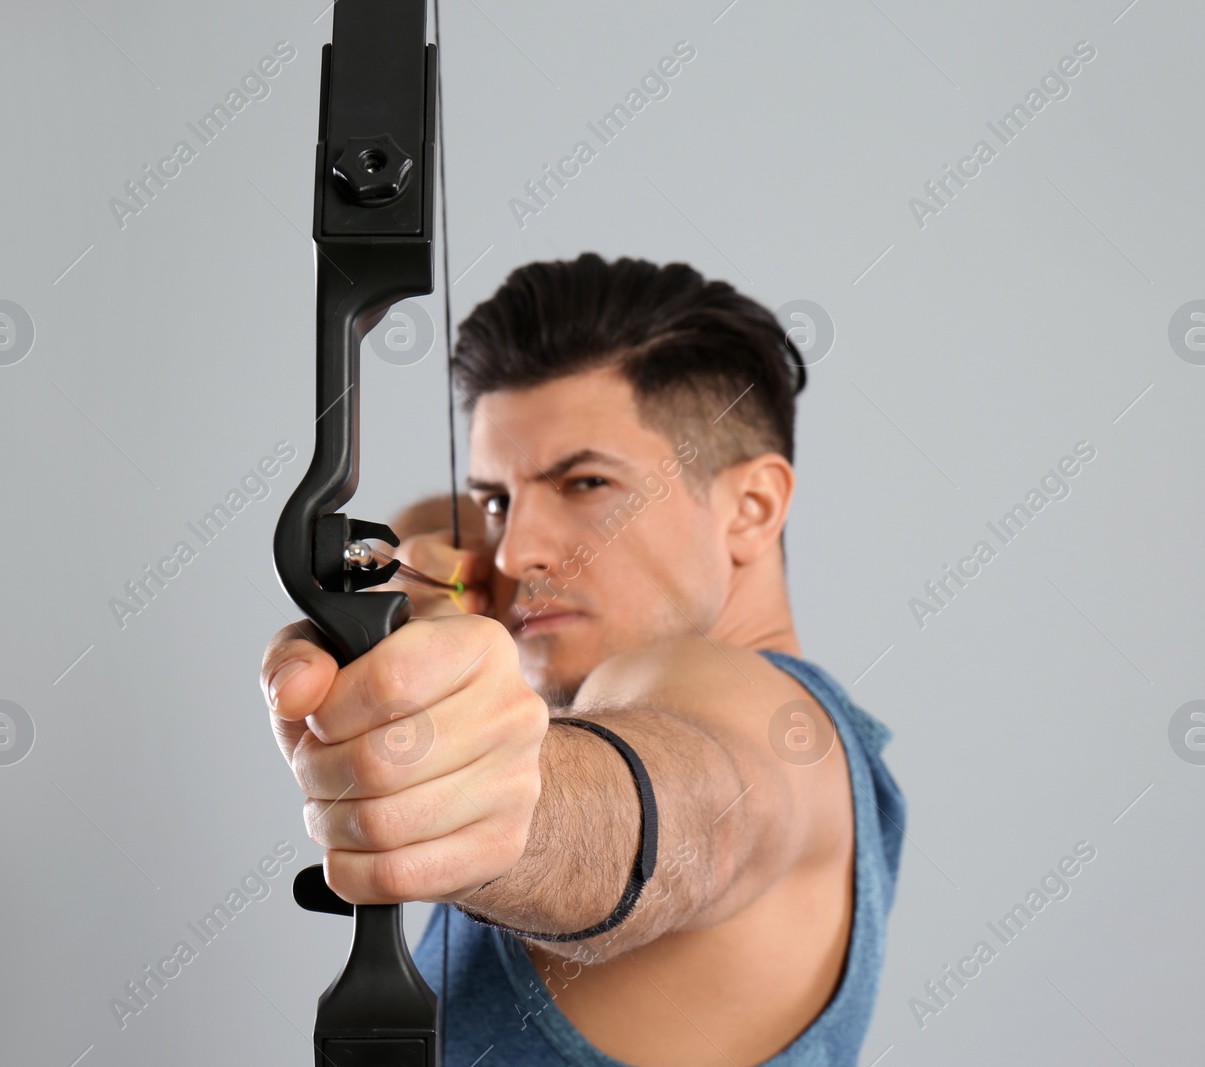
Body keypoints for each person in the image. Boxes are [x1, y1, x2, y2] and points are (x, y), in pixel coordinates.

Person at [259, 253, 904, 1066]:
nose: (518, 547)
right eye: (498, 499)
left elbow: (696, 814)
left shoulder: (757, 716)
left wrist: (491, 800)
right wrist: (441, 568)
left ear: (752, 507)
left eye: (588, 483)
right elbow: (450, 526)